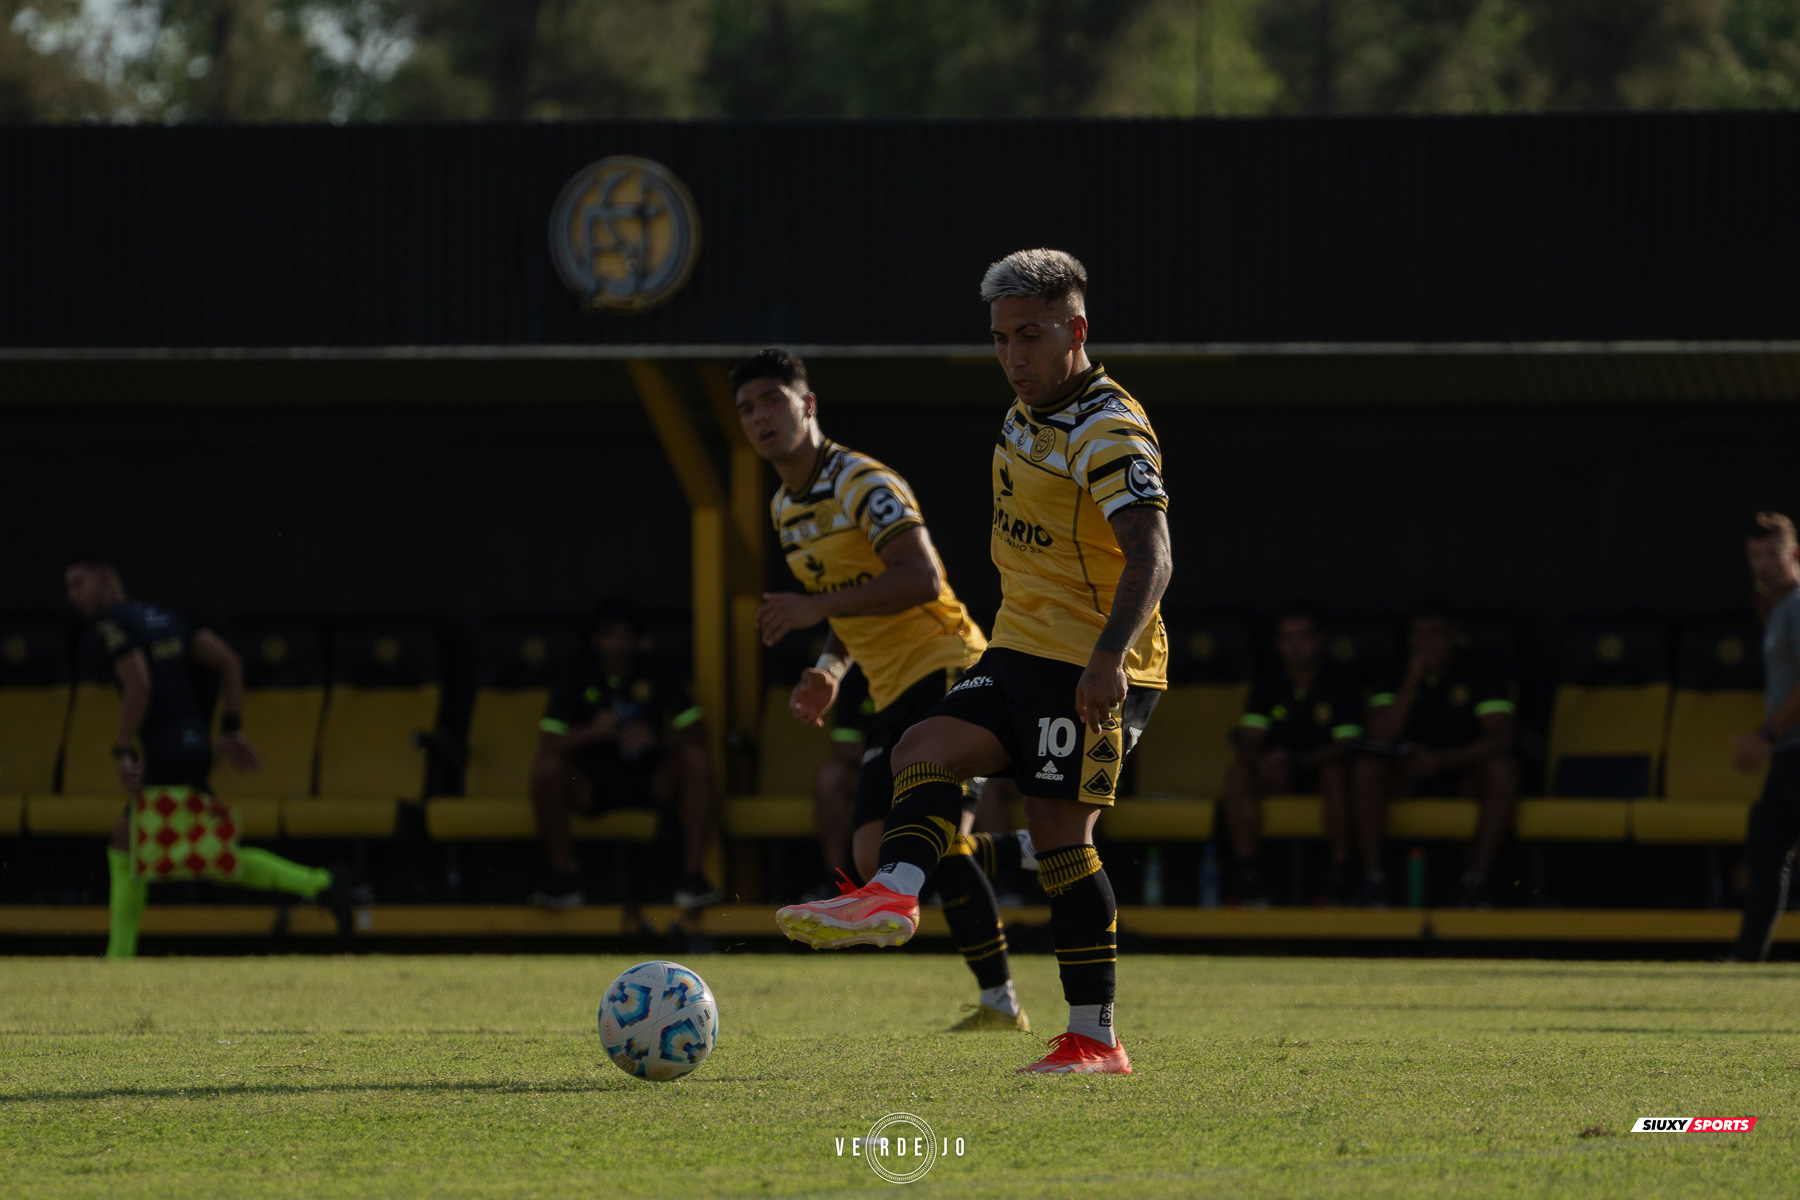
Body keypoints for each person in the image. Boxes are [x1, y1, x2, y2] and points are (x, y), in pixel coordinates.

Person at [774, 249, 1173, 1076]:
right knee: (923, 748)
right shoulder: (1024, 411)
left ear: (1077, 331)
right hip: (1017, 645)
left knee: (1062, 840)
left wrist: (1107, 659)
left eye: (1031, 336)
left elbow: (1153, 554)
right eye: (999, 339)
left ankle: (1095, 1038)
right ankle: (894, 893)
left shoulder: (1108, 428)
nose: (1013, 356)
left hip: (1092, 659)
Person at [734, 347, 1034, 1033]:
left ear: (808, 404)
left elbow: (921, 578)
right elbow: (850, 602)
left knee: (917, 846)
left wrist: (812, 610)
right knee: (878, 853)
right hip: (889, 689)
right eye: (747, 409)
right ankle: (1027, 861)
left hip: (949, 665)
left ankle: (1002, 989)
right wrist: (830, 670)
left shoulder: (860, 481)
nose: (760, 417)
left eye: (773, 399)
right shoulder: (784, 508)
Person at [64, 558, 342, 958]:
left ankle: (322, 883)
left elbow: (139, 685)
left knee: (210, 858)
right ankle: (119, 957)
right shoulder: (169, 617)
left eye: (79, 584)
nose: (73, 596)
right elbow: (230, 662)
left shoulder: (112, 627)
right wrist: (231, 727)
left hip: (166, 751)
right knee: (129, 845)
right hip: (192, 745)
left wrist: (122, 750)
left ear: (106, 580)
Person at [526, 598, 721, 911]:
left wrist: (656, 737)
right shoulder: (575, 672)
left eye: (625, 635)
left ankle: (693, 880)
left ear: (636, 640)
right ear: (595, 639)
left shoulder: (656, 668)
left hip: (649, 779)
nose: (617, 644)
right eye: (609, 635)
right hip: (592, 782)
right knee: (546, 767)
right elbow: (549, 741)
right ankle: (564, 881)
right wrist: (592, 731)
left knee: (695, 757)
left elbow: (697, 729)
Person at [1353, 605, 1518, 908]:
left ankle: (1476, 882)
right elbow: (1378, 736)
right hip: (1407, 775)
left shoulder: (1481, 667)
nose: (1428, 643)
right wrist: (1410, 682)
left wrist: (1442, 760)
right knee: (1367, 769)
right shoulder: (1393, 668)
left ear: (1454, 635)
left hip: (1462, 773)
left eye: (1436, 634)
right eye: (1419, 635)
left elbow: (1501, 739)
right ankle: (1374, 881)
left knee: (1502, 770)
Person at [1222, 604, 1363, 906]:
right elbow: (1250, 739)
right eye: (1287, 637)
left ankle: (1339, 873)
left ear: (1320, 639)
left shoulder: (1341, 680)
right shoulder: (1268, 680)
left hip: (1324, 774)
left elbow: (1347, 746)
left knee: (1335, 774)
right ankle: (1249, 874)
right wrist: (1262, 760)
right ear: (1277, 643)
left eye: (1304, 636)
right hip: (1279, 775)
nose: (1296, 646)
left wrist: (1299, 761)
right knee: (1239, 775)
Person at [1729, 512, 1800, 961]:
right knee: (1766, 852)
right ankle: (1744, 961)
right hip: (1788, 753)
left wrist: (1765, 734)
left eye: (1772, 554)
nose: (1763, 564)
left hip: (1792, 747)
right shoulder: (1778, 606)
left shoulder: (1797, 606)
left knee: (1768, 854)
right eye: (1755, 555)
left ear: (1795, 554)